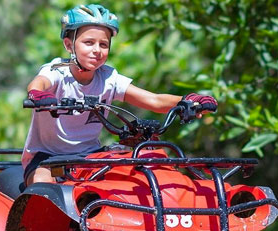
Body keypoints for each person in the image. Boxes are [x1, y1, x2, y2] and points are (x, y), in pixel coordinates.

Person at [23, 4, 217, 185]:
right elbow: (39, 83)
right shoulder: (57, 71)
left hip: (91, 156)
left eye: (103, 44)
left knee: (133, 181)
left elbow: (154, 100)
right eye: (88, 43)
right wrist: (38, 95)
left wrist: (188, 101)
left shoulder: (108, 78)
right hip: (46, 157)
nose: (97, 50)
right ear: (69, 45)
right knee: (44, 190)